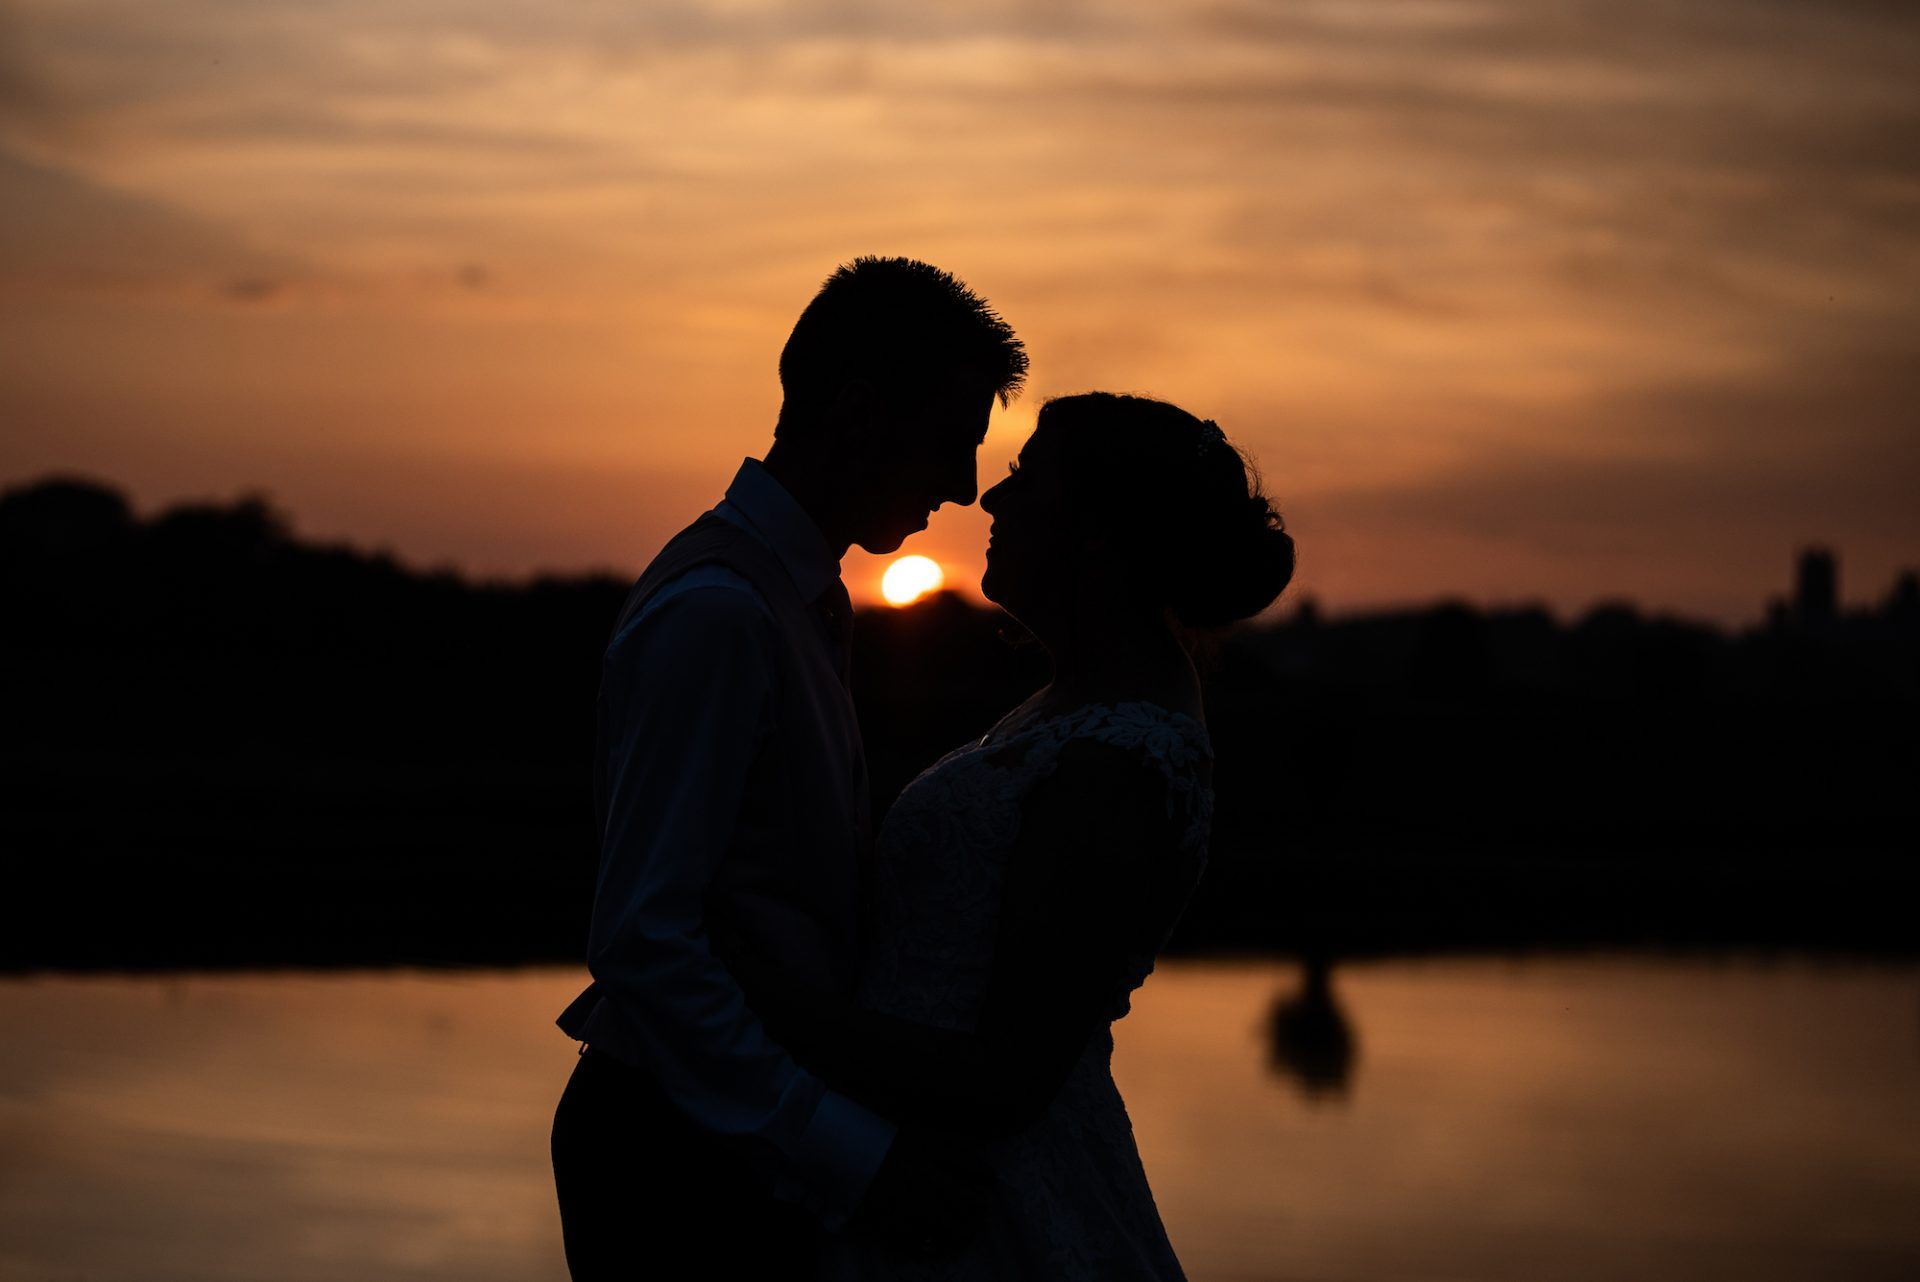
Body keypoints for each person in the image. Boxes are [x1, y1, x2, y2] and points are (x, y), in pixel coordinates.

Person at [722, 392, 1296, 1278]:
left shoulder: (1121, 761)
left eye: (1030, 478)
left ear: (1097, 532)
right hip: (913, 1167)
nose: (992, 500)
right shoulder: (1080, 700)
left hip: (982, 1205)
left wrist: (767, 1004)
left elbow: (1005, 1078)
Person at [549, 256, 1028, 1279]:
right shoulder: (720, 613)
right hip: (677, 1161)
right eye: (953, 439)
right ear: (858, 411)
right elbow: (645, 938)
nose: (966, 484)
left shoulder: (791, 596)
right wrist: (851, 1152)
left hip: (727, 1137)